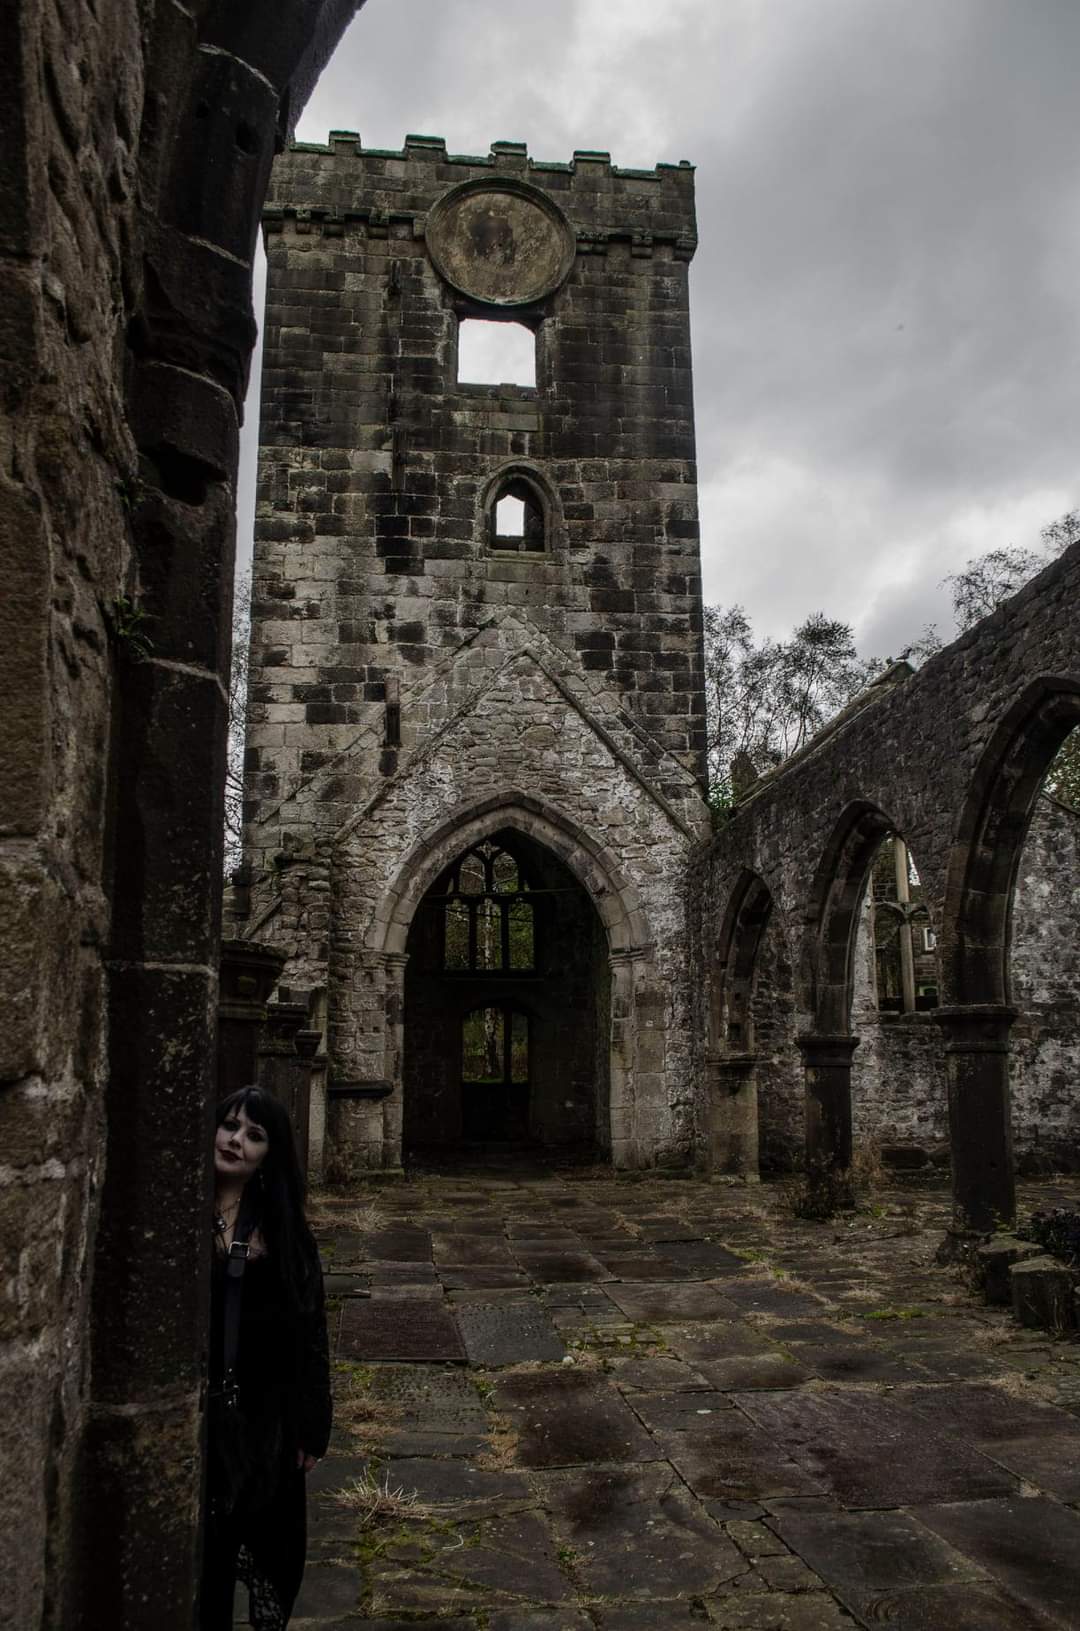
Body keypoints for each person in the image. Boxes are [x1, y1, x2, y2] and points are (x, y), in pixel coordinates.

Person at [200, 1086, 332, 1629]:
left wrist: (310, 1426)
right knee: (201, 1564)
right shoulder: (177, 1211)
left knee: (265, 1545)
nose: (236, 1141)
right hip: (198, 1413)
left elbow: (309, 1332)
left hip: (262, 1416)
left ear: (269, 1154)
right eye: (229, 1126)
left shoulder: (280, 1231)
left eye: (254, 1135)